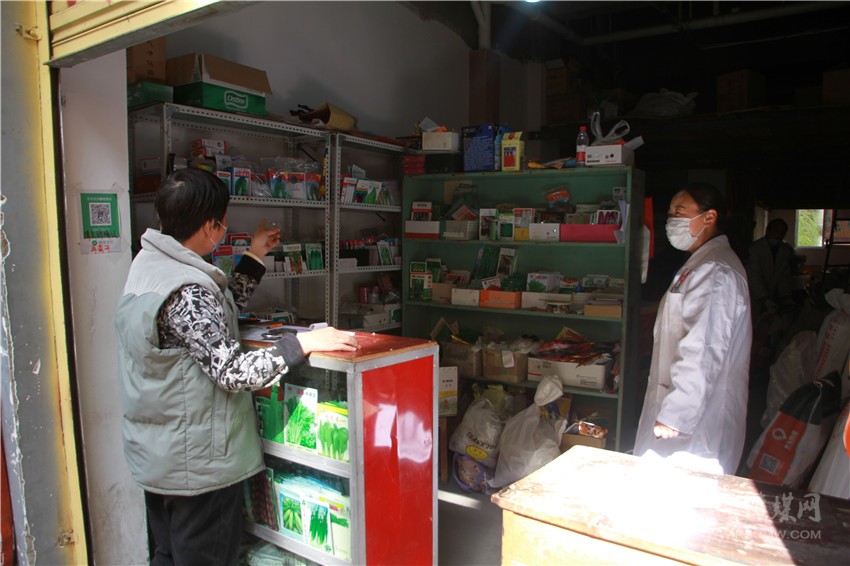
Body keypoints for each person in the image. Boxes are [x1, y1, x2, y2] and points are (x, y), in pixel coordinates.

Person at [114, 168, 358, 565]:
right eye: (223, 222)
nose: (225, 228)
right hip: (197, 463)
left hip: (160, 452)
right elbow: (231, 372)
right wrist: (302, 344)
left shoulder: (150, 265)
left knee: (167, 552)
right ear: (210, 227)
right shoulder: (187, 289)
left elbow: (210, 318)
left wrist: (255, 255)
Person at [634, 183, 752, 475]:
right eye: (670, 213)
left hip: (694, 421)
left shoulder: (715, 271)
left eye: (680, 211)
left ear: (709, 217)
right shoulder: (701, 264)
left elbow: (703, 347)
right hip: (681, 411)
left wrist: (677, 413)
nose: (671, 220)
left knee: (686, 486)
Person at [747, 218, 795, 320]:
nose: (778, 236)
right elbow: (754, 276)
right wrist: (764, 299)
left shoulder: (785, 251)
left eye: (782, 233)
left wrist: (785, 296)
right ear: (768, 230)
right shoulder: (755, 249)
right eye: (776, 231)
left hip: (771, 297)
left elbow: (784, 276)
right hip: (754, 298)